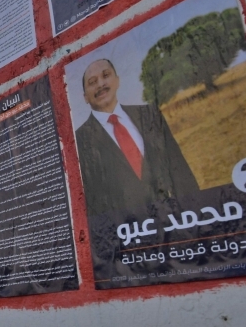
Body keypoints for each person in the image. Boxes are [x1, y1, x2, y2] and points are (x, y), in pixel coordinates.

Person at [74, 58, 199, 216]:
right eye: (92, 82)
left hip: (172, 222)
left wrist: (196, 214)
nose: (100, 84)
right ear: (85, 96)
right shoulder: (78, 141)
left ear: (117, 81)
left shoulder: (149, 115)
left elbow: (180, 173)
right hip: (124, 232)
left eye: (106, 75)